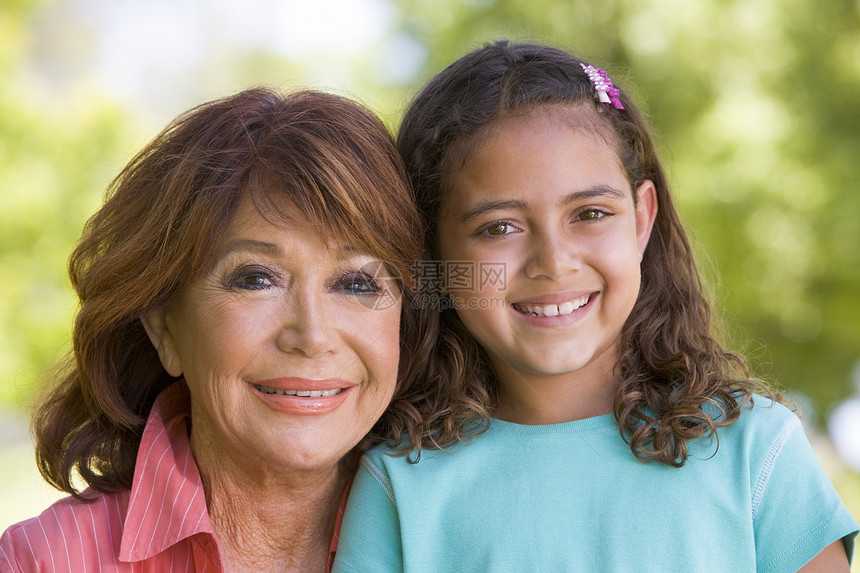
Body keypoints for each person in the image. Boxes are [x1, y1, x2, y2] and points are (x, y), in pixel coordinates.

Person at [332, 41, 859, 572]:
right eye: (499, 227)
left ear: (640, 219)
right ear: (434, 252)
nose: (553, 263)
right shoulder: (400, 486)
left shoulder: (756, 453)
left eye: (589, 213)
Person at [0, 87, 430, 572]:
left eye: (356, 282)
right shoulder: (41, 562)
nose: (312, 336)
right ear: (164, 327)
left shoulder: (466, 535)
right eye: (255, 279)